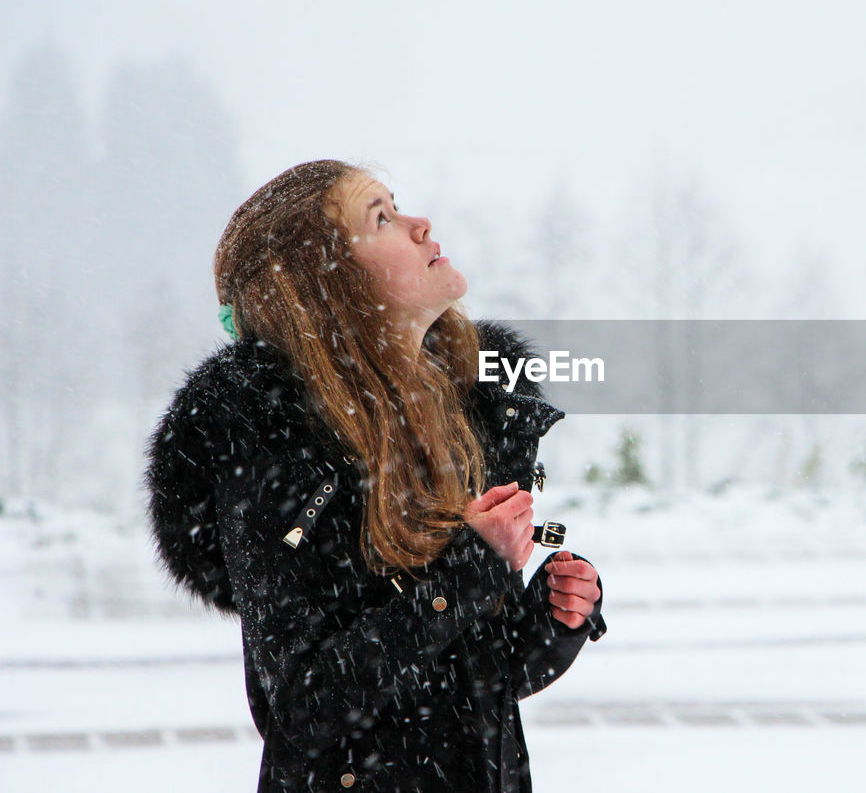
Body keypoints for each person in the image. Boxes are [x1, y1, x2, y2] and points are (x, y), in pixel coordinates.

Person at [144, 159, 605, 792]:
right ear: (324, 284)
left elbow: (475, 681)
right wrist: (473, 564)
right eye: (381, 217)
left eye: (399, 205)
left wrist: (553, 620)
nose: (420, 225)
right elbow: (305, 707)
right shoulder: (276, 446)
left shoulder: (468, 420)